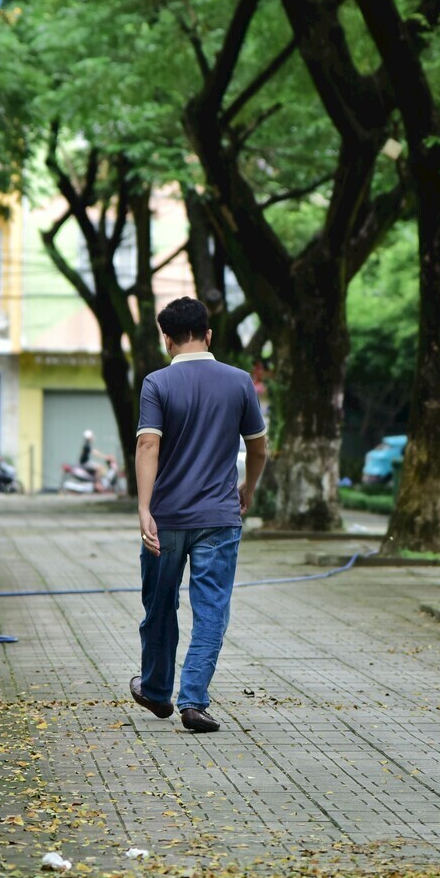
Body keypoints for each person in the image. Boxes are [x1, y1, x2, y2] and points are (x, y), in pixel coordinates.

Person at [131, 297, 267, 734]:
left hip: (166, 518)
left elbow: (147, 445)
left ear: (166, 339)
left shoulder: (157, 383)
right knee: (211, 610)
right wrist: (249, 486)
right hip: (219, 517)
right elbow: (258, 446)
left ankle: (155, 689)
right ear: (208, 335)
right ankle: (193, 701)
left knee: (160, 604)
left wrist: (144, 508)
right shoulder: (239, 381)